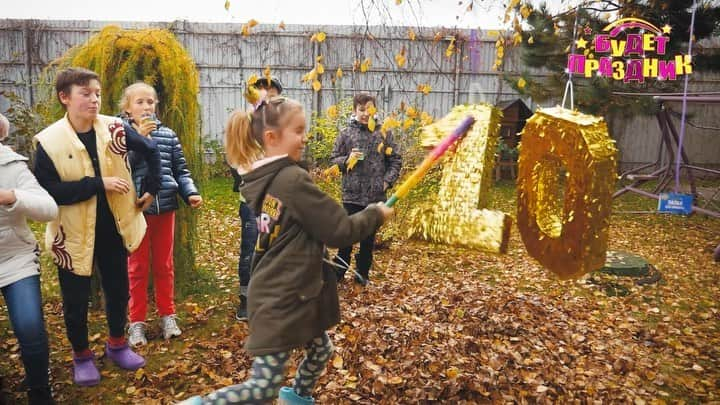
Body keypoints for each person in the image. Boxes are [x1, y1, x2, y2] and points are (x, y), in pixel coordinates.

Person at [179, 96, 393, 405]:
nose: (305, 137)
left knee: (320, 351)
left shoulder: (262, 179)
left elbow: (302, 227)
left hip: (293, 289)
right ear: (271, 138)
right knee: (263, 388)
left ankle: (296, 398)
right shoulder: (290, 180)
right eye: (298, 130)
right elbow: (339, 231)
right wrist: (375, 214)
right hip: (281, 298)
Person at [33, 67, 161, 386]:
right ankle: (82, 356)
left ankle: (118, 344)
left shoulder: (115, 128)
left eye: (98, 93)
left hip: (114, 228)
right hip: (71, 234)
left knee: (118, 291)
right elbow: (49, 191)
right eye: (85, 94)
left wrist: (152, 186)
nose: (94, 100)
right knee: (76, 300)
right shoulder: (49, 142)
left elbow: (151, 151)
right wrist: (97, 184)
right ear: (65, 98)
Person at [119, 82, 203, 346]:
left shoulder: (168, 135)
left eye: (150, 102)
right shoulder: (120, 136)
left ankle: (168, 315)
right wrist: (140, 141)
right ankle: (137, 322)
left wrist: (189, 192)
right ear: (127, 108)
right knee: (137, 267)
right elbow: (121, 169)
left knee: (164, 265)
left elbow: (180, 170)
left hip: (165, 208)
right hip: (136, 211)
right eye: (140, 102)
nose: (146, 107)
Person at [0, 113, 57, 404]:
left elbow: (48, 208)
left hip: (14, 258)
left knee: (29, 326)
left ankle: (40, 390)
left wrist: (11, 196)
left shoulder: (11, 165)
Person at [330, 93, 402, 285]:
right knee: (347, 236)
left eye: (368, 109)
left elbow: (395, 159)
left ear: (375, 110)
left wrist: (387, 181)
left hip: (374, 195)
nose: (365, 113)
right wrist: (347, 159)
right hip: (351, 194)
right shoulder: (346, 134)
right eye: (361, 110)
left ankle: (362, 274)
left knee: (368, 239)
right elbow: (333, 160)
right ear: (354, 111)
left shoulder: (383, 133)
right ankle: (338, 272)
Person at [231, 74, 283, 321]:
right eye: (263, 98)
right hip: (251, 203)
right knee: (251, 250)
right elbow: (234, 158)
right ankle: (246, 299)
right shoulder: (245, 125)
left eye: (273, 98)